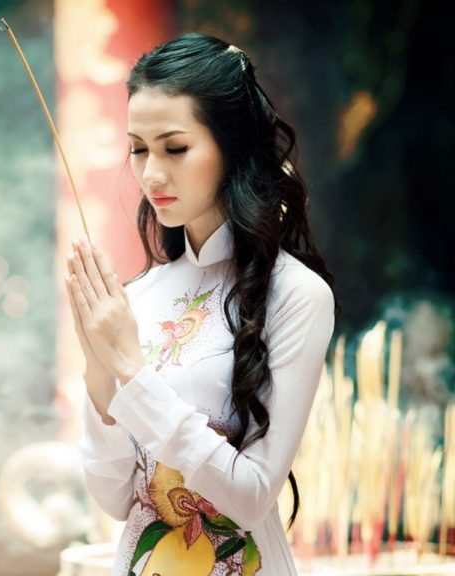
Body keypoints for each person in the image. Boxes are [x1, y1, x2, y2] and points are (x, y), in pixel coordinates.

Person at [66, 33, 337, 576]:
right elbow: (118, 499)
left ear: (230, 145)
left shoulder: (297, 295)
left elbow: (250, 497)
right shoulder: (138, 297)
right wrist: (99, 379)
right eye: (139, 149)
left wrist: (130, 370)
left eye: (175, 147)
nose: (151, 174)